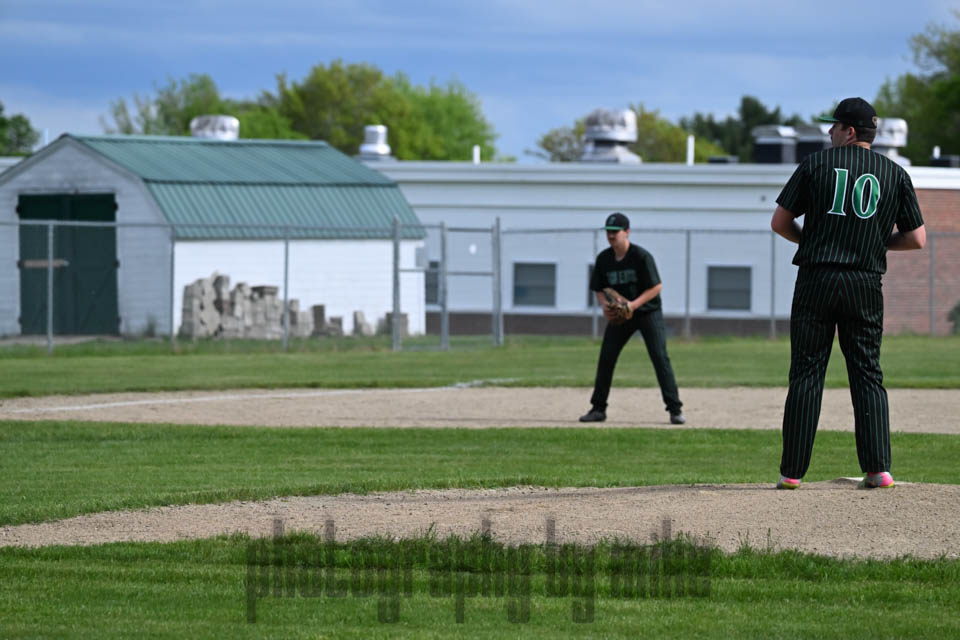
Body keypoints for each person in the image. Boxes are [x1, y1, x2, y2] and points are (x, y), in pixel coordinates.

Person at [771, 97, 926, 490]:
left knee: (807, 372)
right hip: (864, 282)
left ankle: (792, 473)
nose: (830, 132)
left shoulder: (815, 165)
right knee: (867, 373)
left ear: (849, 131)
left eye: (835, 125)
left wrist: (813, 241)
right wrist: (874, 242)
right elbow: (917, 239)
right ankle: (878, 470)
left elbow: (780, 222)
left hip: (817, 279)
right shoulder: (895, 174)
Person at [579, 212, 685, 425]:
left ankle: (675, 410)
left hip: (648, 312)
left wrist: (632, 305)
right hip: (621, 317)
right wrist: (604, 306)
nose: (611, 236)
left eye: (615, 231)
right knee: (607, 357)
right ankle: (598, 409)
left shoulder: (640, 256)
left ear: (626, 232)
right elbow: (598, 288)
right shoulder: (604, 259)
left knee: (659, 357)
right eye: (608, 232)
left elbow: (656, 287)